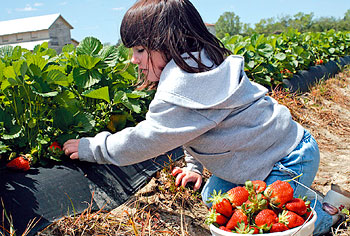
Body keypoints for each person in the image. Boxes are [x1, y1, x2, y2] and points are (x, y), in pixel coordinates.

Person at [63, 0, 349, 235]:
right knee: (214, 196)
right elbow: (197, 128)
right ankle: (303, 199)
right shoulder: (199, 65)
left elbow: (148, 138)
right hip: (263, 156)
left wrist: (95, 147)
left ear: (168, 42)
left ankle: (327, 215)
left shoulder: (184, 84)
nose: (134, 59)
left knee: (266, 224)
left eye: (140, 50)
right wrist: (194, 167)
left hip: (288, 156)